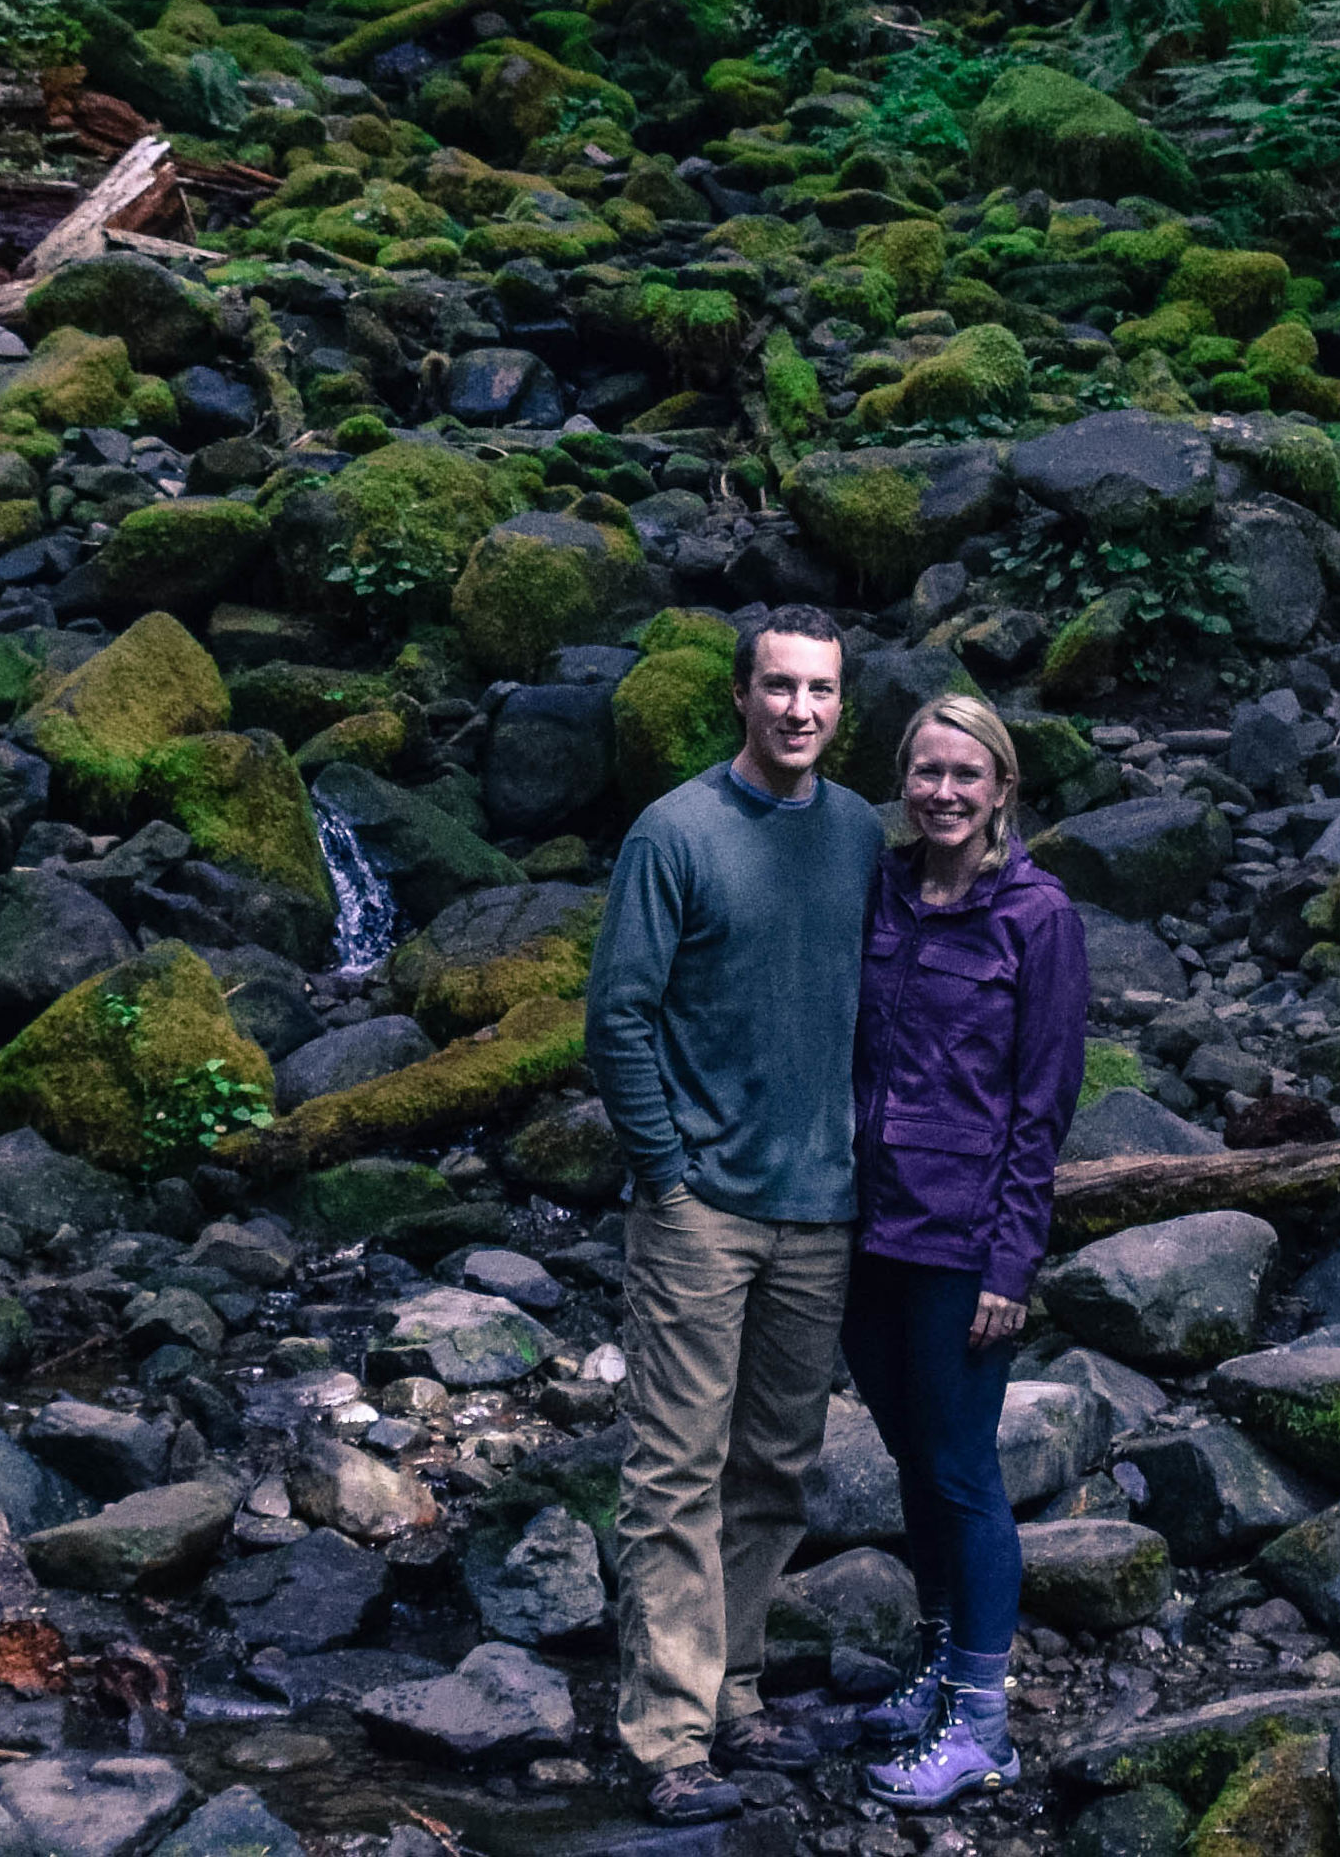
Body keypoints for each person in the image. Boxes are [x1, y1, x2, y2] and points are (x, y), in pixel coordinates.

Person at [585, 610, 886, 1826]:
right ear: (740, 696)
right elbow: (618, 1016)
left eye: (821, 691)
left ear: (841, 703)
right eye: (779, 687)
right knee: (675, 1470)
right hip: (700, 1209)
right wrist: (666, 1173)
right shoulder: (676, 833)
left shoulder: (861, 832)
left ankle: (736, 1687)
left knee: (774, 1467)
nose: (800, 710)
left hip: (821, 1208)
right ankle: (668, 1738)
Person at [839, 692, 1085, 1806]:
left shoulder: (1037, 915)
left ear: (1002, 788)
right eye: (927, 771)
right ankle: (939, 1670)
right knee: (912, 1459)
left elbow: (1042, 1107)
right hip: (865, 1226)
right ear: (905, 779)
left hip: (960, 1237)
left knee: (961, 1469)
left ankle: (982, 1723)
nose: (943, 792)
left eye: (965, 774)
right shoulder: (881, 888)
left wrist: (1010, 1264)